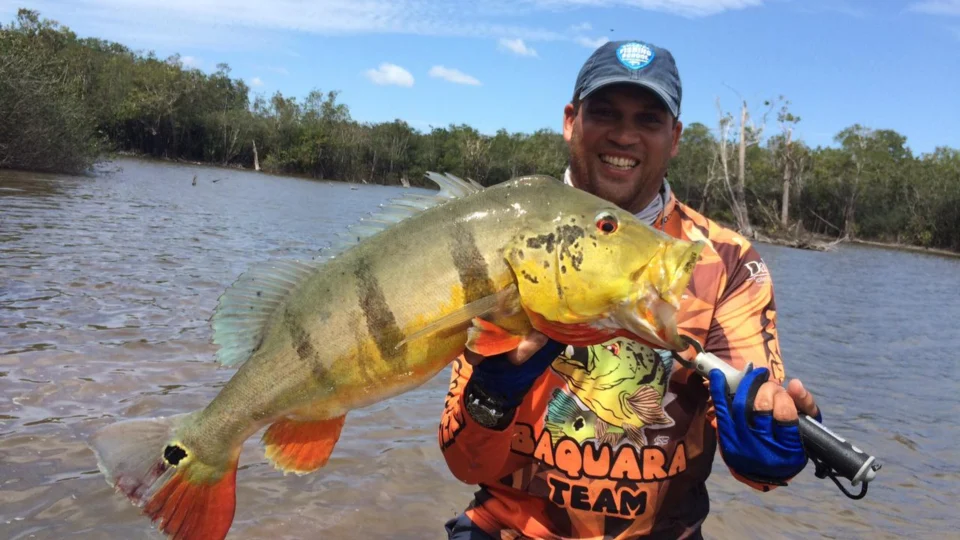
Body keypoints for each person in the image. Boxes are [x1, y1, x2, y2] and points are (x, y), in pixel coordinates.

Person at [439, 40, 822, 539]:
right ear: (570, 120)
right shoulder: (501, 235)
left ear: (675, 136)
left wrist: (770, 444)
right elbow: (466, 463)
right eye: (605, 113)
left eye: (648, 120)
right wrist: (488, 397)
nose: (624, 135)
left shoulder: (726, 263)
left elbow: (756, 462)